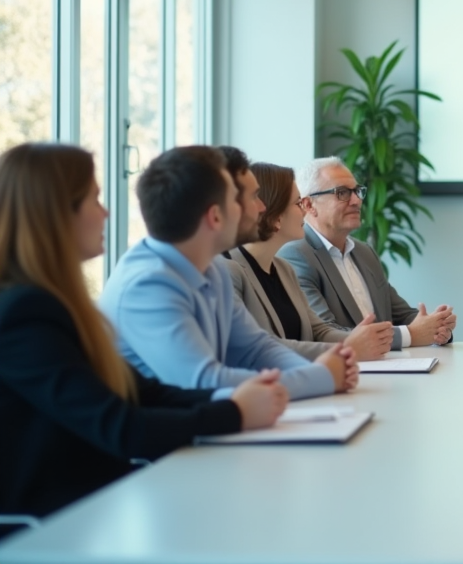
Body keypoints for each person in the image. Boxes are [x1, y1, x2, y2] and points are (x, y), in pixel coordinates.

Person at [0, 144, 287, 523]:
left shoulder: (59, 305)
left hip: (96, 506)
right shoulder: (25, 315)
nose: (106, 213)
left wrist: (242, 398)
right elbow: (122, 426)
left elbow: (144, 391)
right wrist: (234, 411)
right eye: (95, 199)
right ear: (56, 215)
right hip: (55, 527)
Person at [100, 146, 357, 400]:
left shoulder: (213, 269)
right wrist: (321, 377)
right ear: (215, 216)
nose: (260, 208)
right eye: (249, 197)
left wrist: (318, 372)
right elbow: (204, 382)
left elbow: (255, 350)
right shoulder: (148, 285)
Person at [279, 157, 456, 350]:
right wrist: (411, 335)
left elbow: (402, 314)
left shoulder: (364, 252)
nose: (356, 200)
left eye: (357, 191)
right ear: (309, 205)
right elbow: (324, 333)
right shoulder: (296, 255)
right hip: (347, 371)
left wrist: (436, 327)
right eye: (342, 193)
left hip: (386, 367)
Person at [224, 162, 392, 362]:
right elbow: (261, 346)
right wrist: (348, 347)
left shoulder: (284, 269)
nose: (305, 210)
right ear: (275, 216)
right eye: (298, 204)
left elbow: (317, 330)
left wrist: (360, 339)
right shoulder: (228, 270)